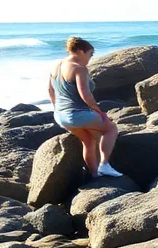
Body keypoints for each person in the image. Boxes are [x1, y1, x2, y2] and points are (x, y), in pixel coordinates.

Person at [47, 37, 121, 177]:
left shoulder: (56, 64)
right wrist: (99, 112)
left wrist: (56, 108)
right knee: (111, 128)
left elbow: (50, 91)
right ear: (80, 51)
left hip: (60, 116)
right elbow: (85, 95)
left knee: (88, 141)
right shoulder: (79, 69)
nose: (90, 58)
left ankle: (94, 175)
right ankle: (104, 164)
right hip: (77, 115)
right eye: (90, 54)